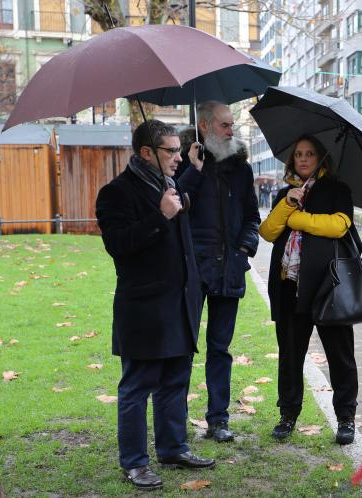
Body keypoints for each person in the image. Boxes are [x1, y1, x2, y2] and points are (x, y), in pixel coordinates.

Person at [96, 120, 214, 491]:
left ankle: (173, 448)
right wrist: (159, 215)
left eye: (179, 149)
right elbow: (119, 244)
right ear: (147, 152)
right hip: (145, 307)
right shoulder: (116, 193)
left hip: (180, 303)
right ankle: (134, 463)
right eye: (171, 150)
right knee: (138, 385)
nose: (178, 157)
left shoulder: (170, 184)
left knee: (176, 382)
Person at [258, 135, 360, 445]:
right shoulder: (285, 193)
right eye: (298, 154)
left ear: (320, 159)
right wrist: (288, 203)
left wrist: (299, 218)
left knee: (340, 356)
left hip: (329, 286)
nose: (303, 159)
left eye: (310, 154)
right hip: (290, 287)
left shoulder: (338, 190)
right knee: (290, 356)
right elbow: (268, 231)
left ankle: (346, 418)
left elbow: (340, 225)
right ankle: (288, 414)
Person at [176, 101, 261, 442]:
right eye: (225, 125)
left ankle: (218, 419)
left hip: (230, 268)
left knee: (220, 349)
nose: (231, 131)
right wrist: (192, 170)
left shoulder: (242, 168)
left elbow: (252, 218)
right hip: (192, 271)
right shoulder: (185, 160)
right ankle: (175, 421)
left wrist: (243, 251)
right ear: (206, 125)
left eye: (232, 125)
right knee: (182, 347)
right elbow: (177, 204)